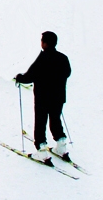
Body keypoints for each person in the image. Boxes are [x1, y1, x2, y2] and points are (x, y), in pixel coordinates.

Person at [15, 31, 72, 162]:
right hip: (58, 97)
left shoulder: (43, 58)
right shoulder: (63, 58)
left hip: (43, 98)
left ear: (44, 43)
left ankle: (41, 151)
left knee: (40, 122)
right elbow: (67, 73)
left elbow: (30, 76)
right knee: (55, 120)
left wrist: (19, 77)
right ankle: (61, 145)